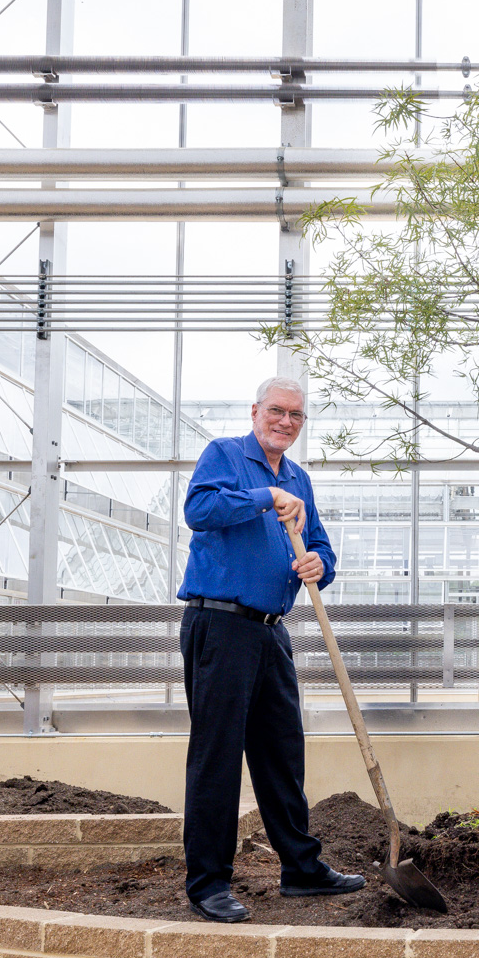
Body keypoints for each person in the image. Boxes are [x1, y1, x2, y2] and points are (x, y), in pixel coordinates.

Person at [176, 376, 364, 923]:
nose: (285, 422)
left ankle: (301, 869)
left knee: (283, 750)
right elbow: (200, 511)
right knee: (218, 756)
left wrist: (319, 565)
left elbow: (321, 545)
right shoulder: (225, 457)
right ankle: (208, 882)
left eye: (296, 416)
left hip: (270, 629)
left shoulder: (300, 477)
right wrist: (266, 497)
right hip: (221, 624)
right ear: (256, 410)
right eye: (277, 411)